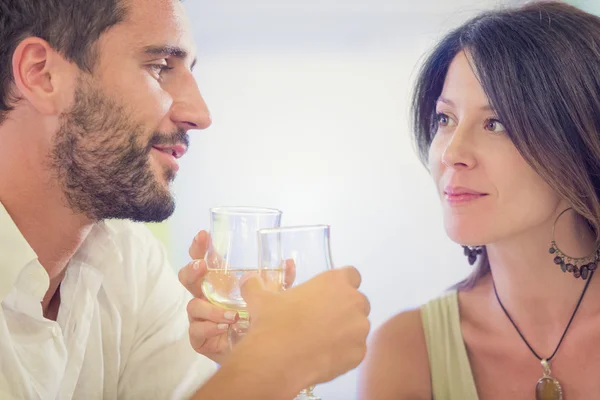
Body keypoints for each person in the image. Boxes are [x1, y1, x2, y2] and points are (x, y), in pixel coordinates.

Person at [0, 0, 371, 399]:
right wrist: (271, 363)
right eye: (160, 67)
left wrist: (251, 357)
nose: (201, 114)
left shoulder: (127, 263)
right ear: (41, 75)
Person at [359, 2, 600, 399]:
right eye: (445, 119)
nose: (452, 152)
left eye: (496, 123)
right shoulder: (404, 352)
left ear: (580, 141)